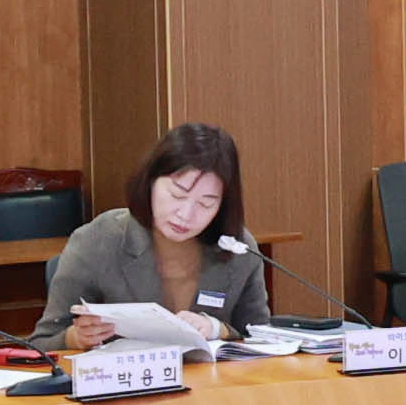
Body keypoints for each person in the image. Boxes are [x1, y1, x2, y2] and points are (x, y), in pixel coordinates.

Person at [45, 122, 296, 344]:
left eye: (206, 203)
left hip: (210, 382)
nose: (186, 214)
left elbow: (259, 338)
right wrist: (76, 337)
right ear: (150, 182)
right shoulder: (98, 240)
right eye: (177, 195)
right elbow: (43, 342)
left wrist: (217, 329)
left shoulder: (238, 250)